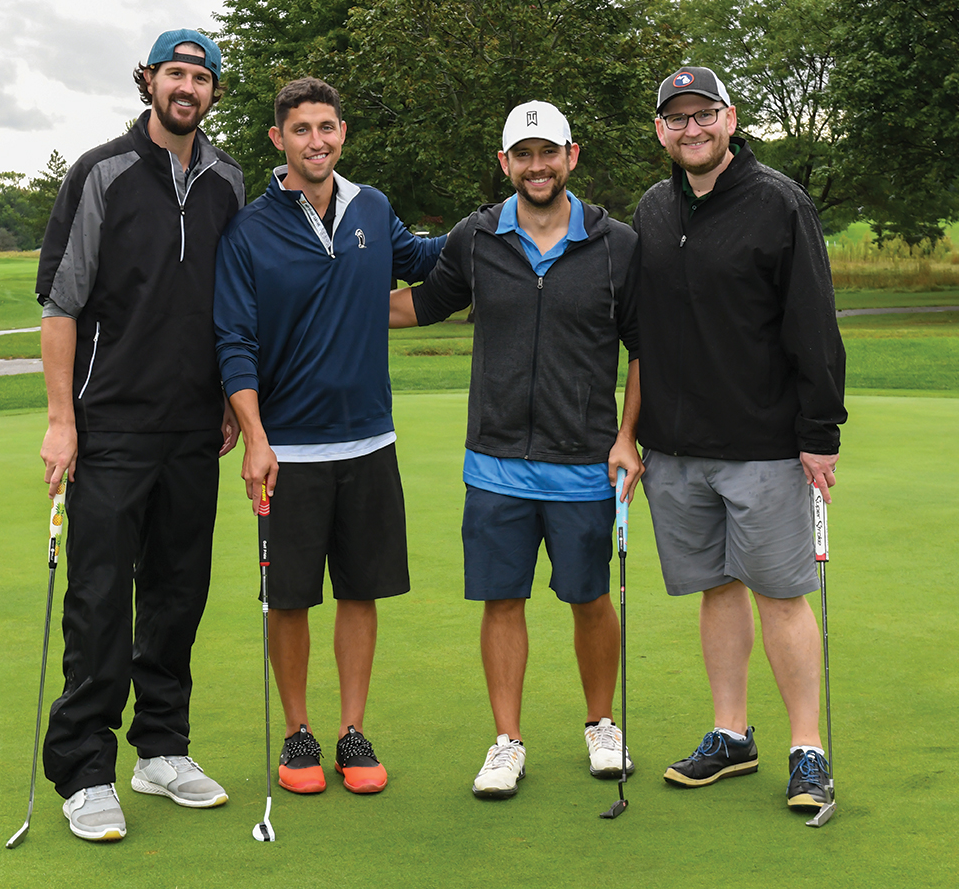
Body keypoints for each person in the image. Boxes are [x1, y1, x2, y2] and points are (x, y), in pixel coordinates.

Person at [389, 101, 641, 800]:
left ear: (571, 156)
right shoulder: (476, 237)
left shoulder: (616, 243)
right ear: (505, 163)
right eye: (523, 155)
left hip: (584, 461)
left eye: (548, 152)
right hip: (496, 462)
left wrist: (627, 437)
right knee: (501, 600)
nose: (537, 166)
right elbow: (424, 303)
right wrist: (329, 303)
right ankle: (507, 741)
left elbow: (644, 347)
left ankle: (602, 724)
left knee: (589, 597)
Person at [35, 29, 245, 842]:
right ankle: (84, 768)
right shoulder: (102, 172)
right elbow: (62, 305)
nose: (187, 86)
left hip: (193, 427)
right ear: (150, 80)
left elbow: (232, 303)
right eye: (175, 73)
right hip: (110, 423)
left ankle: (161, 748)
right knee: (98, 599)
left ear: (214, 91)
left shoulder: (228, 181)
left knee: (177, 592)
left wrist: (228, 399)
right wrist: (61, 420)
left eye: (201, 76)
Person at [623, 65, 846, 813]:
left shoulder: (780, 201)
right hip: (677, 450)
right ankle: (731, 735)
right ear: (661, 130)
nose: (691, 129)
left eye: (703, 114)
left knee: (781, 595)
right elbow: (644, 333)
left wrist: (819, 432)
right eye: (676, 118)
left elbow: (813, 323)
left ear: (730, 118)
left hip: (764, 445)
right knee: (716, 591)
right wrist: (632, 433)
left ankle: (808, 749)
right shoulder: (654, 208)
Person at [214, 77, 445, 796]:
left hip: (369, 442)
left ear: (342, 132)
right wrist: (254, 436)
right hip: (287, 450)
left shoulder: (371, 206)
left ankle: (351, 730)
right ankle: (298, 730)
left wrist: (500, 220)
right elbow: (234, 341)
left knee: (360, 591)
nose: (316, 141)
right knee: (288, 599)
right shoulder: (250, 230)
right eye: (301, 129)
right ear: (278, 138)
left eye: (326, 127)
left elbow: (423, 260)